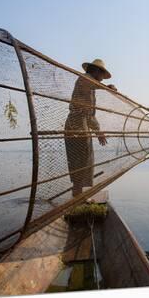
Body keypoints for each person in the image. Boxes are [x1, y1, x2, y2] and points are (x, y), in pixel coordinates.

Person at [64, 59, 117, 197]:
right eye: (102, 74)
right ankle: (77, 200)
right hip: (75, 127)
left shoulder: (91, 91)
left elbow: (90, 115)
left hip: (84, 127)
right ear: (96, 71)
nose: (102, 77)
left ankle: (79, 198)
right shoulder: (85, 79)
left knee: (86, 162)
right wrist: (107, 87)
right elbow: (93, 84)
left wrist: (98, 131)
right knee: (79, 166)